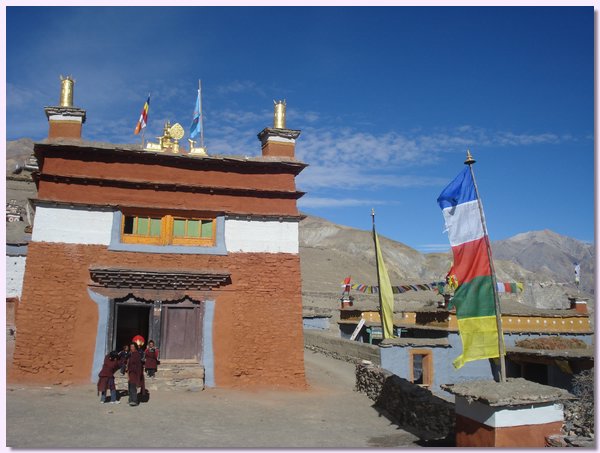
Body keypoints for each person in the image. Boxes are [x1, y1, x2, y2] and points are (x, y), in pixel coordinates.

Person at [127, 342, 144, 406]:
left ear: (135, 347)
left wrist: (138, 375)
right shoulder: (131, 354)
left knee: (133, 387)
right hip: (130, 373)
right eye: (131, 347)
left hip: (135, 373)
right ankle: (130, 399)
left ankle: (134, 401)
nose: (131, 348)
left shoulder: (137, 355)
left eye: (133, 347)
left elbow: (139, 366)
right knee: (130, 386)